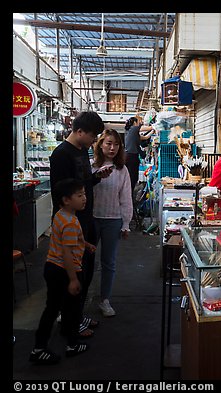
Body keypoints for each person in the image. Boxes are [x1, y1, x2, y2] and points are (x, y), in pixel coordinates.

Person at [49, 111, 112, 338]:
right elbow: (62, 193)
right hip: (71, 222)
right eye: (93, 136)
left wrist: (96, 177)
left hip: (86, 219)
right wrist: (72, 224)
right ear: (79, 131)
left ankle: (77, 314)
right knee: (73, 273)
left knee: (84, 271)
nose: (94, 140)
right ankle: (70, 323)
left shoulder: (81, 151)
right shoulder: (61, 155)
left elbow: (81, 183)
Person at [29, 178, 96, 364]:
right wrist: (73, 279)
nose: (85, 198)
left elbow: (67, 241)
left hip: (52, 268)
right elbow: (67, 252)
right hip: (65, 271)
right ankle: (63, 346)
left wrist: (86, 244)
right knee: (70, 310)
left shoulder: (61, 215)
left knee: (55, 308)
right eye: (80, 195)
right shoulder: (71, 223)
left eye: (84, 194)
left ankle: (43, 346)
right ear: (66, 200)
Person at [91, 129, 133, 317]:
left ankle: (104, 300)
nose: (112, 147)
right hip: (91, 219)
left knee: (109, 262)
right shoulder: (90, 166)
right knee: (84, 262)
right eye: (108, 143)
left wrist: (126, 223)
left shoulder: (121, 170)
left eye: (116, 144)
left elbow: (126, 198)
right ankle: (77, 301)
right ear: (100, 144)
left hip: (113, 220)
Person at [124, 116, 155, 194]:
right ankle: (129, 196)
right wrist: (154, 126)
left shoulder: (132, 133)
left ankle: (130, 195)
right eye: (138, 122)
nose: (140, 124)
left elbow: (145, 137)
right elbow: (145, 128)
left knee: (133, 177)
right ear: (134, 123)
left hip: (131, 156)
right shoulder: (133, 129)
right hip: (131, 157)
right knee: (132, 178)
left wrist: (152, 131)